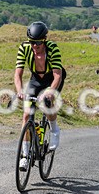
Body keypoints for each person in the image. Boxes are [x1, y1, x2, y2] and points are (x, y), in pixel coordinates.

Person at [15, 21, 66, 170]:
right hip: (36, 80)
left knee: (47, 105)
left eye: (38, 42)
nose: (35, 46)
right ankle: (24, 156)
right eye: (32, 42)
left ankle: (55, 130)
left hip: (52, 78)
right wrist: (20, 90)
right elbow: (18, 74)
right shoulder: (24, 48)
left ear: (44, 40)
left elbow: (58, 75)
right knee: (26, 115)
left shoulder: (52, 49)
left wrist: (50, 92)